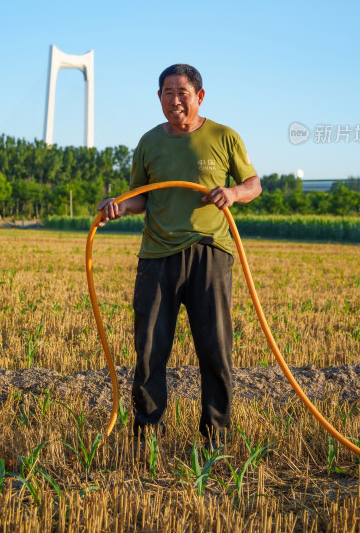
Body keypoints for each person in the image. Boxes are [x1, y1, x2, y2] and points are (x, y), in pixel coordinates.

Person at [98, 64, 261, 444]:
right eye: (167, 92)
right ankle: (147, 436)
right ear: (159, 98)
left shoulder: (224, 137)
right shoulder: (149, 142)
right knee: (150, 350)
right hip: (157, 256)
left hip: (210, 252)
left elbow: (253, 183)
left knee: (215, 349)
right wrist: (119, 206)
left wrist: (233, 193)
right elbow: (140, 196)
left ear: (199, 96)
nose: (175, 100)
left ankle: (215, 437)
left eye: (182, 92)